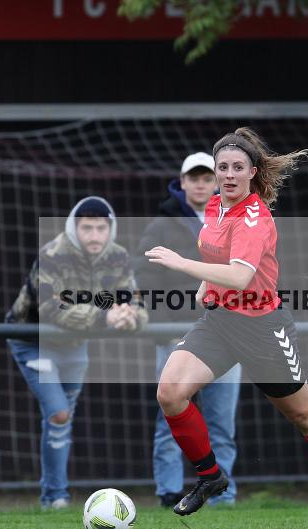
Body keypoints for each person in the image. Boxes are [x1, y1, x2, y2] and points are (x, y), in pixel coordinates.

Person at [145, 128, 308, 529]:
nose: (228, 175)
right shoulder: (215, 206)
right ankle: (211, 476)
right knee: (170, 392)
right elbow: (220, 259)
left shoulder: (254, 217)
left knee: (305, 418)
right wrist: (205, 286)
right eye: (222, 167)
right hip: (220, 323)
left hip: (263, 329)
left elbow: (241, 276)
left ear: (252, 172)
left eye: (237, 168)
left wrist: (182, 265)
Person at [7, 196, 147, 509]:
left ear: (110, 229)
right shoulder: (53, 254)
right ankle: (54, 496)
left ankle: (54, 494)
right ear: (75, 227)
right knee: (58, 413)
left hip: (75, 344)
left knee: (62, 418)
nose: (94, 235)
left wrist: (130, 317)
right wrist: (103, 316)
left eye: (101, 228)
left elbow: (136, 301)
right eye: (87, 228)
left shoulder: (119, 256)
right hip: (34, 341)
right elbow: (49, 307)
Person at [133, 152, 242, 508]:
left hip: (226, 334)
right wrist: (165, 321)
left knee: (221, 422)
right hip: (175, 337)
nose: (200, 183)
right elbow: (144, 276)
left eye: (206, 177)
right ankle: (169, 492)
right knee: (171, 416)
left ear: (216, 182)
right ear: (181, 182)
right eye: (192, 177)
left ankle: (221, 497)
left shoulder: (234, 222)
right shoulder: (160, 227)